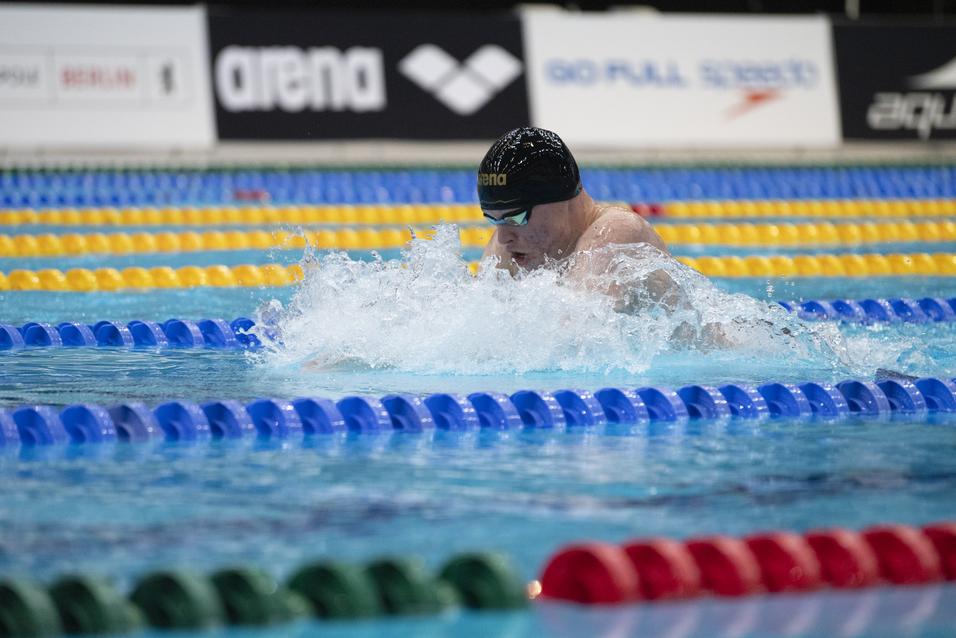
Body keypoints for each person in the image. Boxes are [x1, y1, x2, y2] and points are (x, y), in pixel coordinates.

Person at [479, 126, 682, 311]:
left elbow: (572, 336)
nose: (503, 237)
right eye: (494, 220)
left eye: (516, 218)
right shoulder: (507, 249)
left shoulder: (616, 233)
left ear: (561, 200)